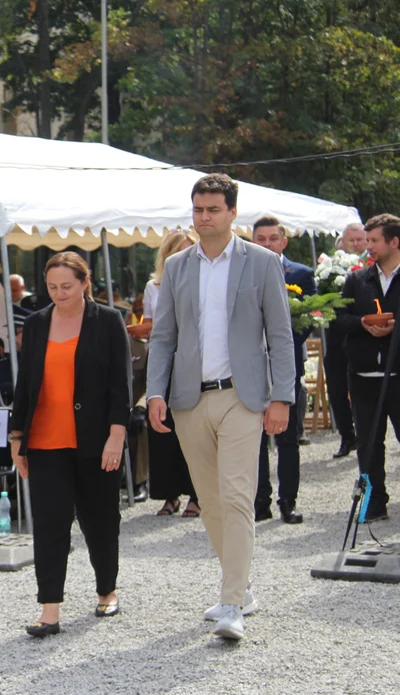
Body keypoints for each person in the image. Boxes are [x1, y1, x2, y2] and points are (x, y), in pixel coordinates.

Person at [147, 174, 295, 642]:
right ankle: (241, 586)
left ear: (233, 212)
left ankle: (232, 603)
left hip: (242, 396)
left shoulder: (264, 263)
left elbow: (280, 335)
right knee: (209, 502)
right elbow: (164, 336)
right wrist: (154, 392)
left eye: (212, 209)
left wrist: (282, 396)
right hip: (189, 398)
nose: (204, 217)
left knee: (236, 496)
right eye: (198, 209)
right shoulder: (176, 267)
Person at [8, 253, 130, 637]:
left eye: (67, 286)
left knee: (100, 521)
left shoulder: (108, 321)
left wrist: (116, 435)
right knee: (49, 526)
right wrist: (16, 437)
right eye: (52, 287)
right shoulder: (36, 322)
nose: (59, 294)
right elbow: (25, 384)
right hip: (44, 440)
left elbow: (120, 384)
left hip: (95, 440)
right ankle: (49, 611)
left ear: (85, 282)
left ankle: (106, 590)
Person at [335, 213, 400, 523]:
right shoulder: (357, 279)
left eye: (374, 241)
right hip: (362, 377)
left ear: (394, 242)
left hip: (398, 376)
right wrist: (363, 323)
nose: (368, 246)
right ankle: (374, 503)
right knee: (368, 444)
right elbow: (339, 319)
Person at [251, 217, 315, 524]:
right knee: (256, 439)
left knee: (288, 437)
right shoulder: (244, 273)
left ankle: (288, 500)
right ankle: (259, 501)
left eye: (272, 238)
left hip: (287, 363)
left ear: (283, 242)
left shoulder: (301, 274)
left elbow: (311, 315)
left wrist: (282, 345)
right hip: (252, 365)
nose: (266, 244)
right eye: (260, 239)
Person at [142, 230, 201, 518]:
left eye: (188, 250)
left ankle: (197, 494)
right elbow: (151, 325)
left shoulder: (204, 282)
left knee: (193, 427)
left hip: (193, 360)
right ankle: (169, 494)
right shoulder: (154, 286)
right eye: (176, 251)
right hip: (163, 358)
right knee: (162, 427)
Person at [326, 223, 366, 458]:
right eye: (351, 240)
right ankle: (346, 436)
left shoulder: (373, 266)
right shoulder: (329, 267)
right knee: (337, 390)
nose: (356, 244)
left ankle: (365, 435)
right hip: (336, 338)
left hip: (364, 338)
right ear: (342, 242)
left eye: (360, 240)